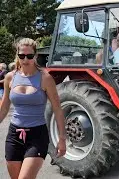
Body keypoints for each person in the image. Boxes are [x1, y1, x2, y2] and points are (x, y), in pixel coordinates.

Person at [0, 38, 66, 179]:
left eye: (29, 56)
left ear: (35, 56)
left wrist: (62, 139)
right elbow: (4, 107)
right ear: (17, 55)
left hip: (37, 136)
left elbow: (57, 109)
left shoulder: (45, 78)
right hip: (14, 135)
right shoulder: (10, 77)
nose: (25, 60)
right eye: (22, 56)